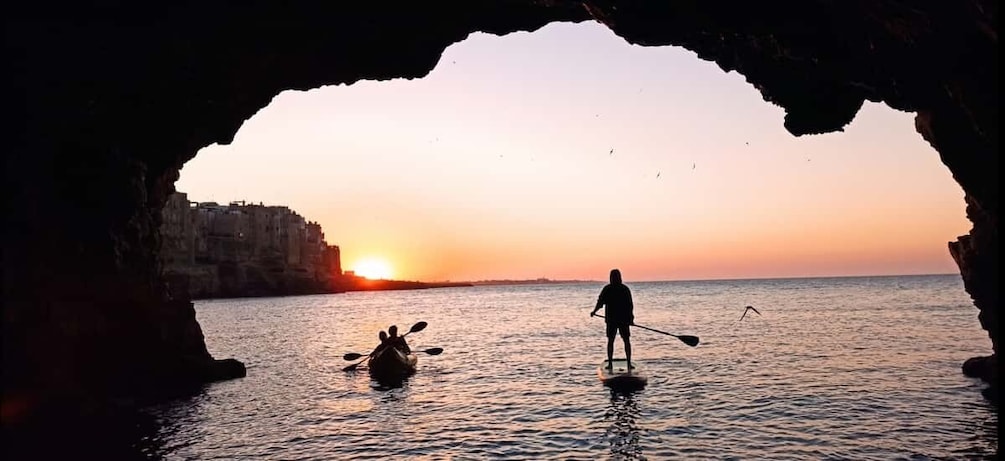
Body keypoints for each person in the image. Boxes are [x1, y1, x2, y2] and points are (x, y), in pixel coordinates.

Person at [590, 269, 634, 369]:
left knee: (618, 340)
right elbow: (600, 302)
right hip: (616, 320)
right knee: (618, 340)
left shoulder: (615, 289)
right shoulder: (619, 289)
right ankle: (622, 363)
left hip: (617, 320)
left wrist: (631, 318)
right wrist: (594, 311)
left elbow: (629, 305)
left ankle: (617, 363)